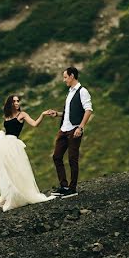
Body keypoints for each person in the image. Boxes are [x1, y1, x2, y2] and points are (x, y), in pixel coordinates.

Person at [0, 94, 56, 211]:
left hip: (14, 144)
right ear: (10, 103)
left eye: (17, 101)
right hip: (4, 144)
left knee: (16, 169)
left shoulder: (22, 114)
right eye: (14, 101)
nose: (17, 103)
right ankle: (8, 194)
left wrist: (42, 115)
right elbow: (7, 130)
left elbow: (35, 124)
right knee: (0, 170)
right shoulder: (7, 116)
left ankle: (19, 194)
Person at [49, 66, 93, 198]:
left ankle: (72, 189)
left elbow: (88, 110)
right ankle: (64, 186)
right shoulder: (69, 92)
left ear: (72, 76)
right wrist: (57, 114)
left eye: (65, 77)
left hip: (74, 129)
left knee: (72, 159)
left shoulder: (82, 91)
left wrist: (80, 127)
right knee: (57, 156)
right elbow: (69, 113)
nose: (64, 80)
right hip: (64, 129)